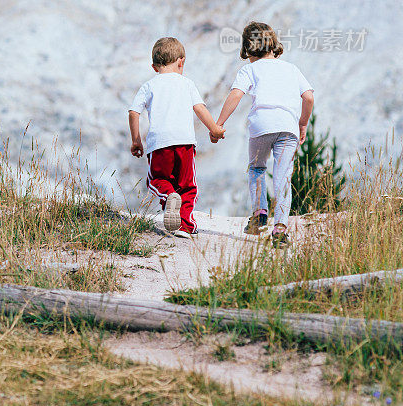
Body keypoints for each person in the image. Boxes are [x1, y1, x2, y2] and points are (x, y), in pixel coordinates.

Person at [212, 22, 314, 247]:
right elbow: (308, 98)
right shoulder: (291, 69)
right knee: (283, 175)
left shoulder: (249, 69)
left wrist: (218, 124)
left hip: (261, 127)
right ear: (273, 44)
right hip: (288, 129)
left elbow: (236, 95)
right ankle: (280, 228)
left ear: (247, 48)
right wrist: (303, 124)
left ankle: (259, 212)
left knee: (257, 168)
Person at [129, 37, 225, 237]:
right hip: (185, 143)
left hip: (159, 144)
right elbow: (199, 108)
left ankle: (168, 195)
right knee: (187, 185)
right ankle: (185, 226)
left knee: (158, 179)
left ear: (154, 67)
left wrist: (136, 140)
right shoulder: (187, 84)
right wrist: (214, 129)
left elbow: (133, 112)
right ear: (181, 62)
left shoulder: (149, 86)